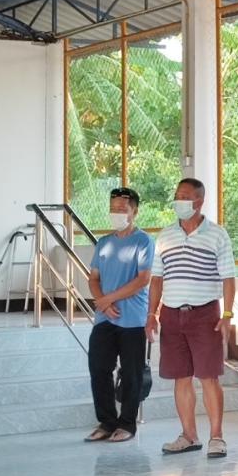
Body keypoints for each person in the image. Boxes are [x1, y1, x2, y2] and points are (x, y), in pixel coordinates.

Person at [145, 178, 236, 459]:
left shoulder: (217, 235)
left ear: (199, 201)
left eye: (184, 196)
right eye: (177, 195)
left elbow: (228, 278)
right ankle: (189, 436)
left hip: (205, 314)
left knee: (208, 376)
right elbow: (157, 279)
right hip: (172, 316)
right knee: (180, 377)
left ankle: (216, 437)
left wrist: (227, 315)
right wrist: (151, 314)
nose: (178, 200)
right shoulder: (165, 236)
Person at [84, 186, 155, 443]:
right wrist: (102, 303)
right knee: (98, 368)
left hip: (132, 319)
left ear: (134, 211)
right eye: (113, 208)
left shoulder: (143, 241)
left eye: (122, 209)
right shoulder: (104, 243)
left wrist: (108, 299)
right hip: (105, 318)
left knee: (131, 373)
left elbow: (143, 279)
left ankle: (127, 424)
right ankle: (106, 422)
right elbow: (93, 278)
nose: (117, 213)